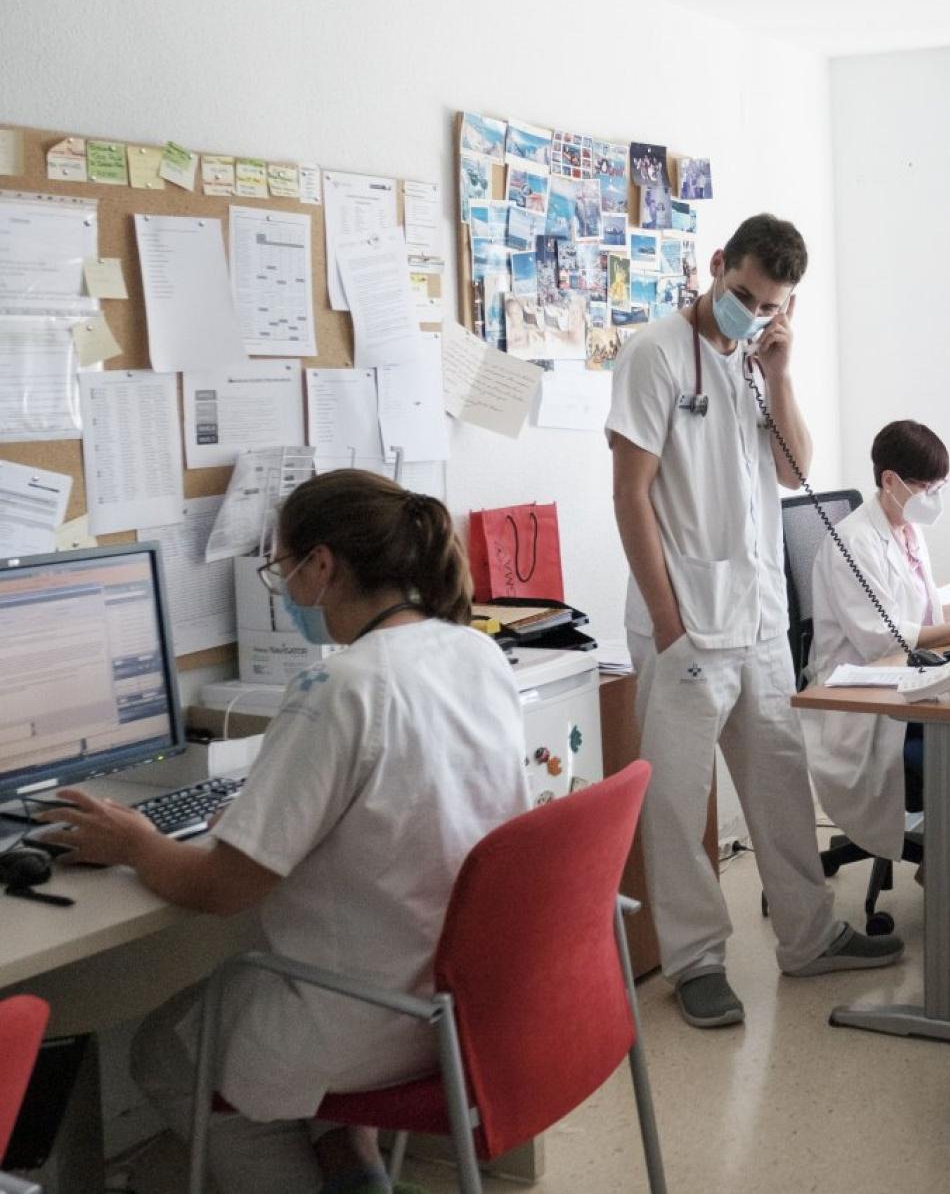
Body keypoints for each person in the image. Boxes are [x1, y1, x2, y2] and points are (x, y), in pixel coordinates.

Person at [37, 470, 529, 1194]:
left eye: (282, 565)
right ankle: (354, 1170)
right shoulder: (473, 652)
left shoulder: (339, 689)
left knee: (163, 1054)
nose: (284, 586)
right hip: (460, 1001)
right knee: (262, 1015)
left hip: (371, 1014)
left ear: (322, 566)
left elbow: (221, 888)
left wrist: (135, 841)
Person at [606, 212, 901, 1030]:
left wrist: (779, 373)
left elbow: (796, 470)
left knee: (777, 783)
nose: (753, 313)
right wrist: (668, 627)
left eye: (772, 305)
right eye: (743, 295)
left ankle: (808, 936)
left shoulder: (753, 364)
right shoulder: (653, 355)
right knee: (677, 804)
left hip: (762, 619)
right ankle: (697, 962)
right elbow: (631, 495)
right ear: (716, 266)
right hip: (686, 625)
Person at [805, 421, 950, 860]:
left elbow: (923, 614)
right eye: (925, 485)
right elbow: (886, 640)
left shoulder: (907, 530)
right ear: (889, 480)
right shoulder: (853, 543)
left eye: (940, 486)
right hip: (867, 700)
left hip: (907, 680)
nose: (933, 496)